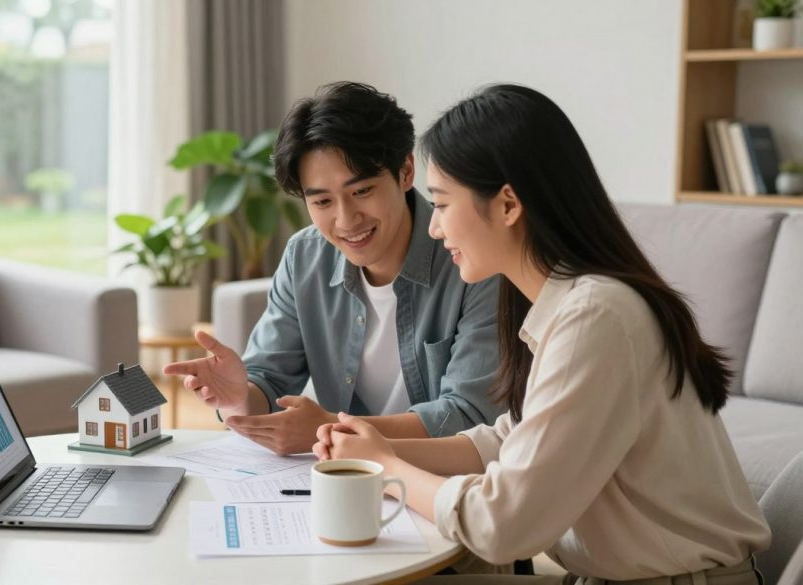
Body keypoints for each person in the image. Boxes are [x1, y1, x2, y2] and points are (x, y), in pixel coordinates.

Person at [314, 84, 771, 582]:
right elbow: (508, 440)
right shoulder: (567, 304)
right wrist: (375, 448)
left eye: (442, 205)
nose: (434, 228)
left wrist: (388, 468)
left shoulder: (597, 316)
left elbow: (503, 525)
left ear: (508, 204)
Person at [163, 82, 502, 455]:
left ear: (405, 171)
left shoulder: (473, 259)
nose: (346, 220)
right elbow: (269, 382)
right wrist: (239, 396)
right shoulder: (305, 257)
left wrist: (329, 429)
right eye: (322, 200)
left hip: (441, 480)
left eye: (362, 192)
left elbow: (472, 415)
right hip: (341, 477)